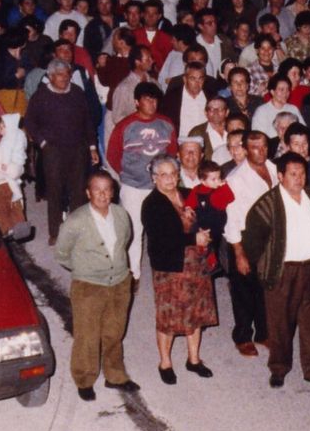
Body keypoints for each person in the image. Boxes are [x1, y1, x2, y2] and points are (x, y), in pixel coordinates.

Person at [237, 153, 310, 390]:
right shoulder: (268, 204)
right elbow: (252, 241)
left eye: (301, 173)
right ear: (280, 176)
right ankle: (279, 369)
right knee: (280, 324)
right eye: (292, 174)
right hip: (284, 272)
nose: (298, 178)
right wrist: (267, 266)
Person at [54, 170, 138, 401]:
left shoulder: (121, 214)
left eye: (107, 189)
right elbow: (61, 254)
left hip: (120, 282)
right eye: (97, 190)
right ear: (88, 193)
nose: (102, 194)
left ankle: (115, 376)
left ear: (113, 192)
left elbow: (126, 240)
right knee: (87, 335)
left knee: (114, 332)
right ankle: (84, 379)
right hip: (88, 286)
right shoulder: (76, 221)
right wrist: (85, 269)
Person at [141, 156, 217, 385]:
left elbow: (207, 215)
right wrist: (194, 237)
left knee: (196, 312)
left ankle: (193, 359)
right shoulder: (152, 204)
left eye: (173, 173)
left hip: (196, 264)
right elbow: (163, 238)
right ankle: (165, 362)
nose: (170, 179)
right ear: (154, 178)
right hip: (170, 267)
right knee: (169, 317)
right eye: (163, 175)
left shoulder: (188, 193)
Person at [106, 81, 177, 279]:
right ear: (137, 102)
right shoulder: (125, 126)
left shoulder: (166, 123)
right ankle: (133, 275)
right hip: (134, 186)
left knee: (162, 230)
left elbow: (171, 154)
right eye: (147, 99)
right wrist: (128, 174)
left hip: (160, 188)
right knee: (134, 231)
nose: (152, 104)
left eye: (155, 99)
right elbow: (113, 155)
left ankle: (164, 272)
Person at [24, 59, 97, 244]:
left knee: (79, 191)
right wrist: (43, 144)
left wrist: (92, 146)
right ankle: (55, 232)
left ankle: (77, 231)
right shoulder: (41, 96)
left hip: (78, 148)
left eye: (67, 74)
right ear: (50, 77)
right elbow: (30, 122)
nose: (65, 79)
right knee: (55, 190)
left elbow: (87, 120)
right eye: (59, 75)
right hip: (53, 150)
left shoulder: (77, 92)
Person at [224, 130, 279, 357]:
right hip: (244, 238)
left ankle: (264, 332)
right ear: (246, 150)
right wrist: (239, 253)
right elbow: (232, 218)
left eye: (264, 146)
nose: (261, 151)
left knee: (265, 287)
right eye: (255, 147)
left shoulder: (274, 168)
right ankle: (243, 335)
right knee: (243, 289)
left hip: (269, 237)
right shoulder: (236, 179)